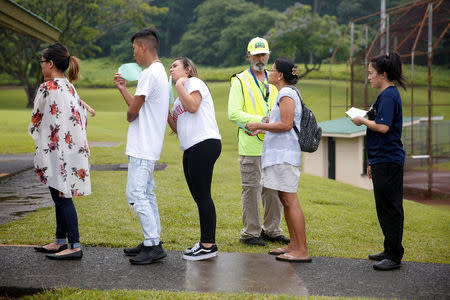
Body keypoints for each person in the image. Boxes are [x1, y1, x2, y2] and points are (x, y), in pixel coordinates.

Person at [245, 57, 311, 263]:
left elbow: (286, 124)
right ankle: (293, 245)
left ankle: (302, 250)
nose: (269, 72)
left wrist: (259, 125)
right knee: (285, 200)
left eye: (272, 70)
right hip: (280, 155)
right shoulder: (284, 93)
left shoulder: (285, 93)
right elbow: (282, 122)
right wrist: (267, 122)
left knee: (290, 201)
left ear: (280, 75)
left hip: (285, 155)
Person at [29, 42, 90, 260]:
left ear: (51, 63)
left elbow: (36, 119)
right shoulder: (69, 86)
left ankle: (74, 245)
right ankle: (60, 240)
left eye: (42, 62)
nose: (41, 66)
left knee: (62, 196)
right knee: (59, 193)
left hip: (56, 149)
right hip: (72, 148)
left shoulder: (47, 87)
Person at [113, 28, 169, 265]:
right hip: (149, 144)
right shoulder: (159, 71)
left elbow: (133, 112)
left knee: (136, 194)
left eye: (134, 48)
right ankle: (152, 240)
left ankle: (153, 244)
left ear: (143, 47)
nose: (133, 53)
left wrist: (129, 113)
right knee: (147, 193)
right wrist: (124, 89)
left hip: (143, 145)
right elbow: (139, 106)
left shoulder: (148, 74)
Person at [228, 37, 289, 246]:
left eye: (263, 55)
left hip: (273, 144)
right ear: (248, 56)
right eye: (256, 55)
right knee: (251, 189)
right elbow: (233, 113)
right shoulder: (239, 80)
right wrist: (260, 121)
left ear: (268, 56)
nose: (260, 59)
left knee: (273, 188)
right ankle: (250, 233)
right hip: (251, 144)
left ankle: (272, 230)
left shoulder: (274, 82)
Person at [351, 53, 406, 271]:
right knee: (383, 207)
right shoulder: (385, 96)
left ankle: (394, 255)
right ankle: (389, 248)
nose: (369, 77)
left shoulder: (389, 97)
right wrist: (373, 161)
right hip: (381, 159)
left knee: (391, 208)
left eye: (371, 73)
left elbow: (383, 127)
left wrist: (362, 120)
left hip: (389, 159)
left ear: (383, 74)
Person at [167, 57, 222, 260]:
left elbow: (193, 106)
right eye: (170, 67)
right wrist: (167, 112)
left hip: (205, 143)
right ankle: (205, 242)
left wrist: (180, 84)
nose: (171, 70)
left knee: (203, 195)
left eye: (175, 66)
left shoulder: (193, 83)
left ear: (187, 69)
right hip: (190, 147)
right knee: (199, 196)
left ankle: (209, 245)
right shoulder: (179, 95)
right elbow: (177, 127)